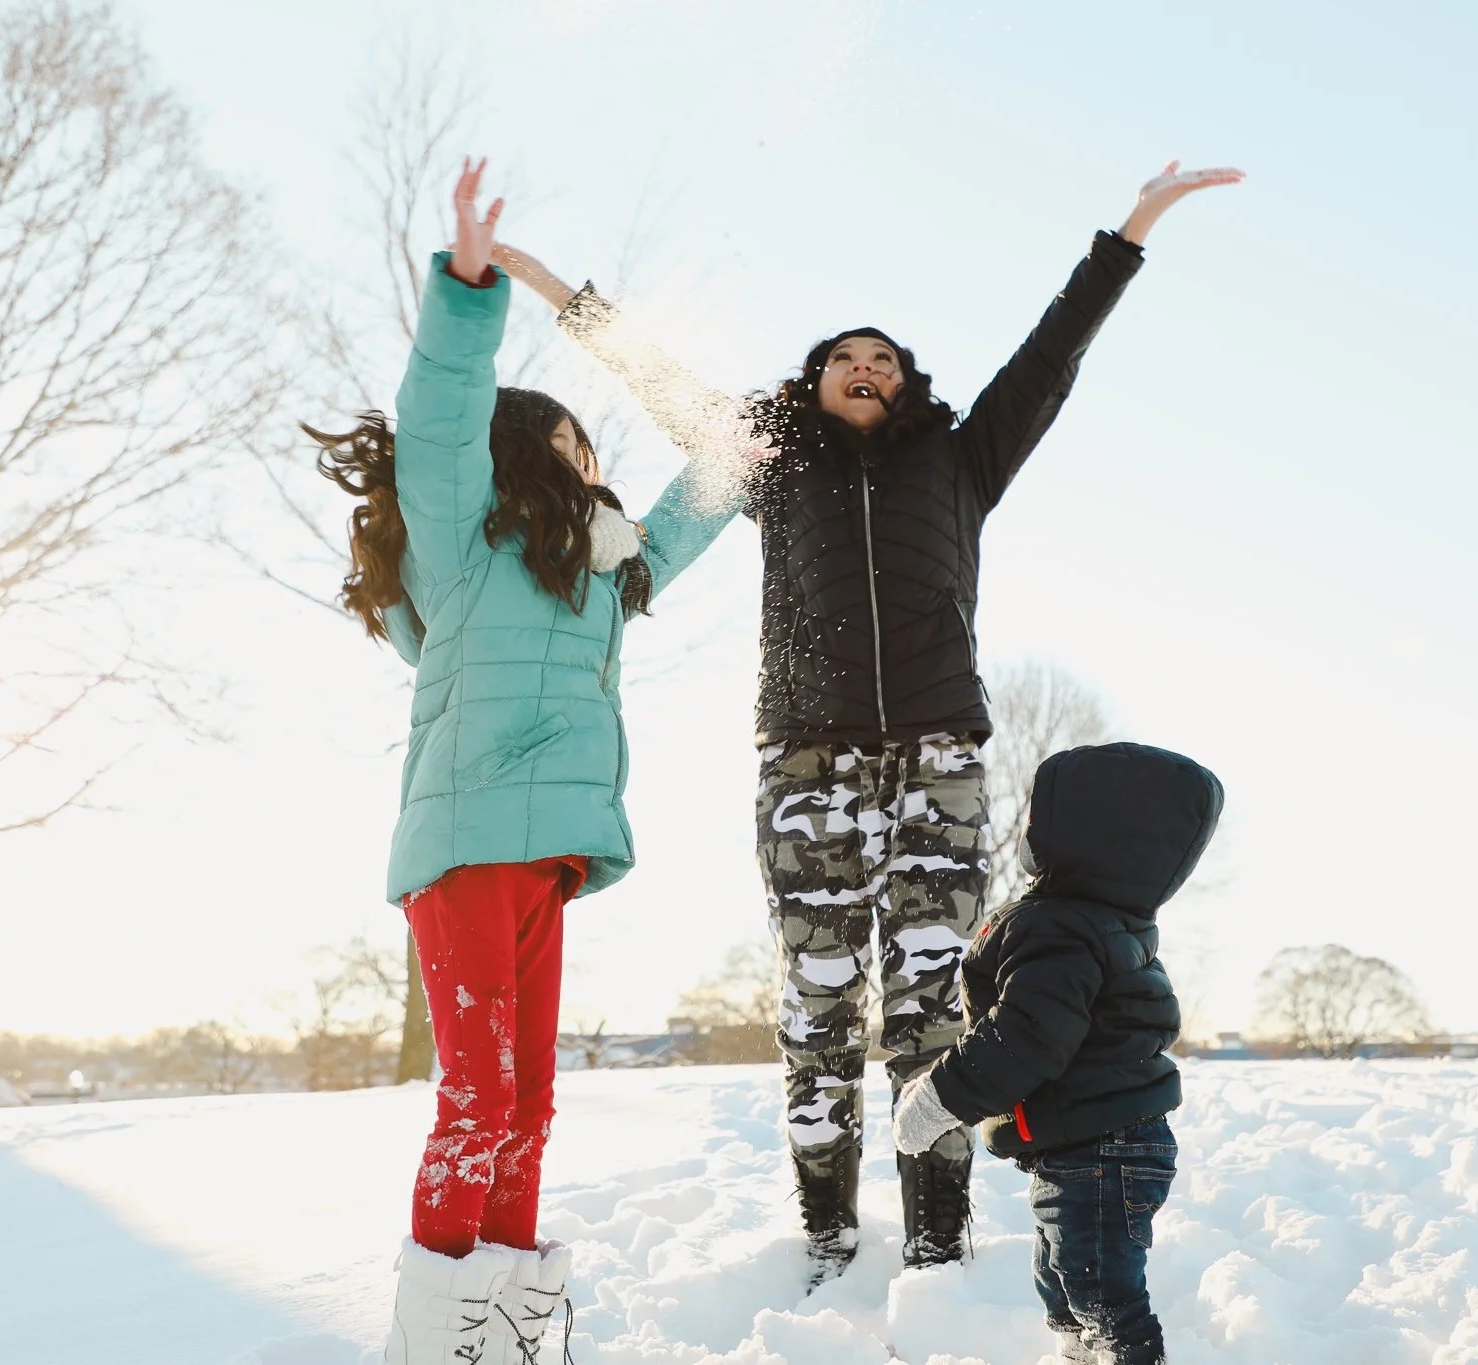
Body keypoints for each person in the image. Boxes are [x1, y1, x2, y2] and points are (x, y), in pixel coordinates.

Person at [492, 156, 1243, 1281]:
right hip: (806, 754)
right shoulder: (772, 455)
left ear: (905, 387)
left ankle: (938, 1239)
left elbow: (1051, 356)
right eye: (842, 356)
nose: (862, 366)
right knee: (819, 1000)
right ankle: (828, 1233)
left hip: (939, 755)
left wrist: (1130, 228)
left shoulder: (960, 460)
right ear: (812, 383)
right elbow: (658, 377)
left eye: (882, 359)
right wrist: (554, 289)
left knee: (932, 998)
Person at [312, 158, 733, 1364]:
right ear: (524, 459)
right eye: (570, 438)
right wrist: (471, 284)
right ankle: (434, 1337)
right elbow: (440, 409)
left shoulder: (610, 573)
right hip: (465, 840)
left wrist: (579, 306)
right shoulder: (460, 547)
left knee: (530, 1109)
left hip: (546, 855)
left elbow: (724, 456)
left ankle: (498, 1333)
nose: (591, 456)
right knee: (478, 1100)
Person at [893, 742, 1223, 1365]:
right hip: (1096, 1145)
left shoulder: (1059, 926)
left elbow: (1028, 1037)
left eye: (1036, 820)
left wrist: (940, 1097)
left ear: (1080, 835)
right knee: (1064, 1285)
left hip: (1099, 1150)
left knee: (1099, 1295)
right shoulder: (1102, 923)